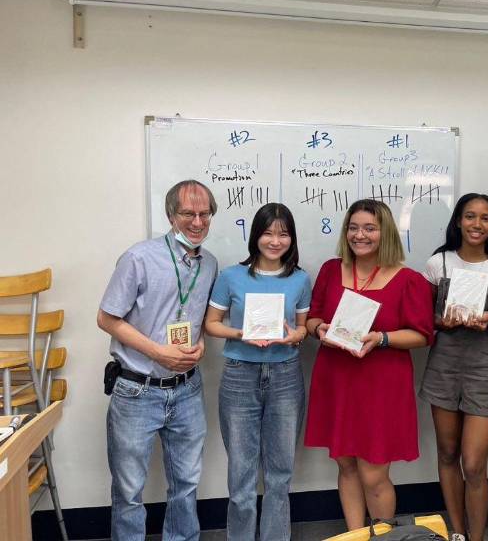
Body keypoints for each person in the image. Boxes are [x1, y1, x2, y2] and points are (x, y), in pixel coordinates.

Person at [97, 180, 218, 540]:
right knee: (129, 491)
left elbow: (197, 320)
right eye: (187, 214)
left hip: (187, 391)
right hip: (137, 390)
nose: (197, 222)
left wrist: (199, 346)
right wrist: (157, 351)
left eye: (204, 214)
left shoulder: (209, 264)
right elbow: (106, 318)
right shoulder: (139, 258)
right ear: (170, 215)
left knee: (186, 484)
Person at [304, 199, 434, 530]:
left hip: (381, 385)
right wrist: (318, 329)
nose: (360, 235)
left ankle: (383, 536)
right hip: (337, 378)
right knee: (346, 466)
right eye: (353, 227)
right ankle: (356, 535)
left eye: (369, 228)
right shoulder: (331, 270)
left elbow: (422, 334)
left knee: (374, 473)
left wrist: (382, 338)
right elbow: (314, 316)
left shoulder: (408, 279)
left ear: (385, 232)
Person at [204, 203, 311, 541]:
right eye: (268, 233)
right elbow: (211, 324)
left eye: (283, 234)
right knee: (241, 473)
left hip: (285, 376)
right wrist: (241, 334)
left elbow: (302, 328)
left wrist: (295, 335)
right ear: (255, 236)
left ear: (291, 238)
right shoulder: (231, 276)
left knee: (280, 473)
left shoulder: (300, 278)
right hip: (239, 376)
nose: (275, 241)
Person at [419, 193, 488, 541]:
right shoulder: (439, 263)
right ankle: (458, 533)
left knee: (475, 464)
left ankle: (476, 538)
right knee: (447, 454)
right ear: (458, 221)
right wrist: (442, 321)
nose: (477, 224)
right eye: (470, 216)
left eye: (485, 218)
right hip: (444, 366)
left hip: (484, 368)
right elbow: (424, 319)